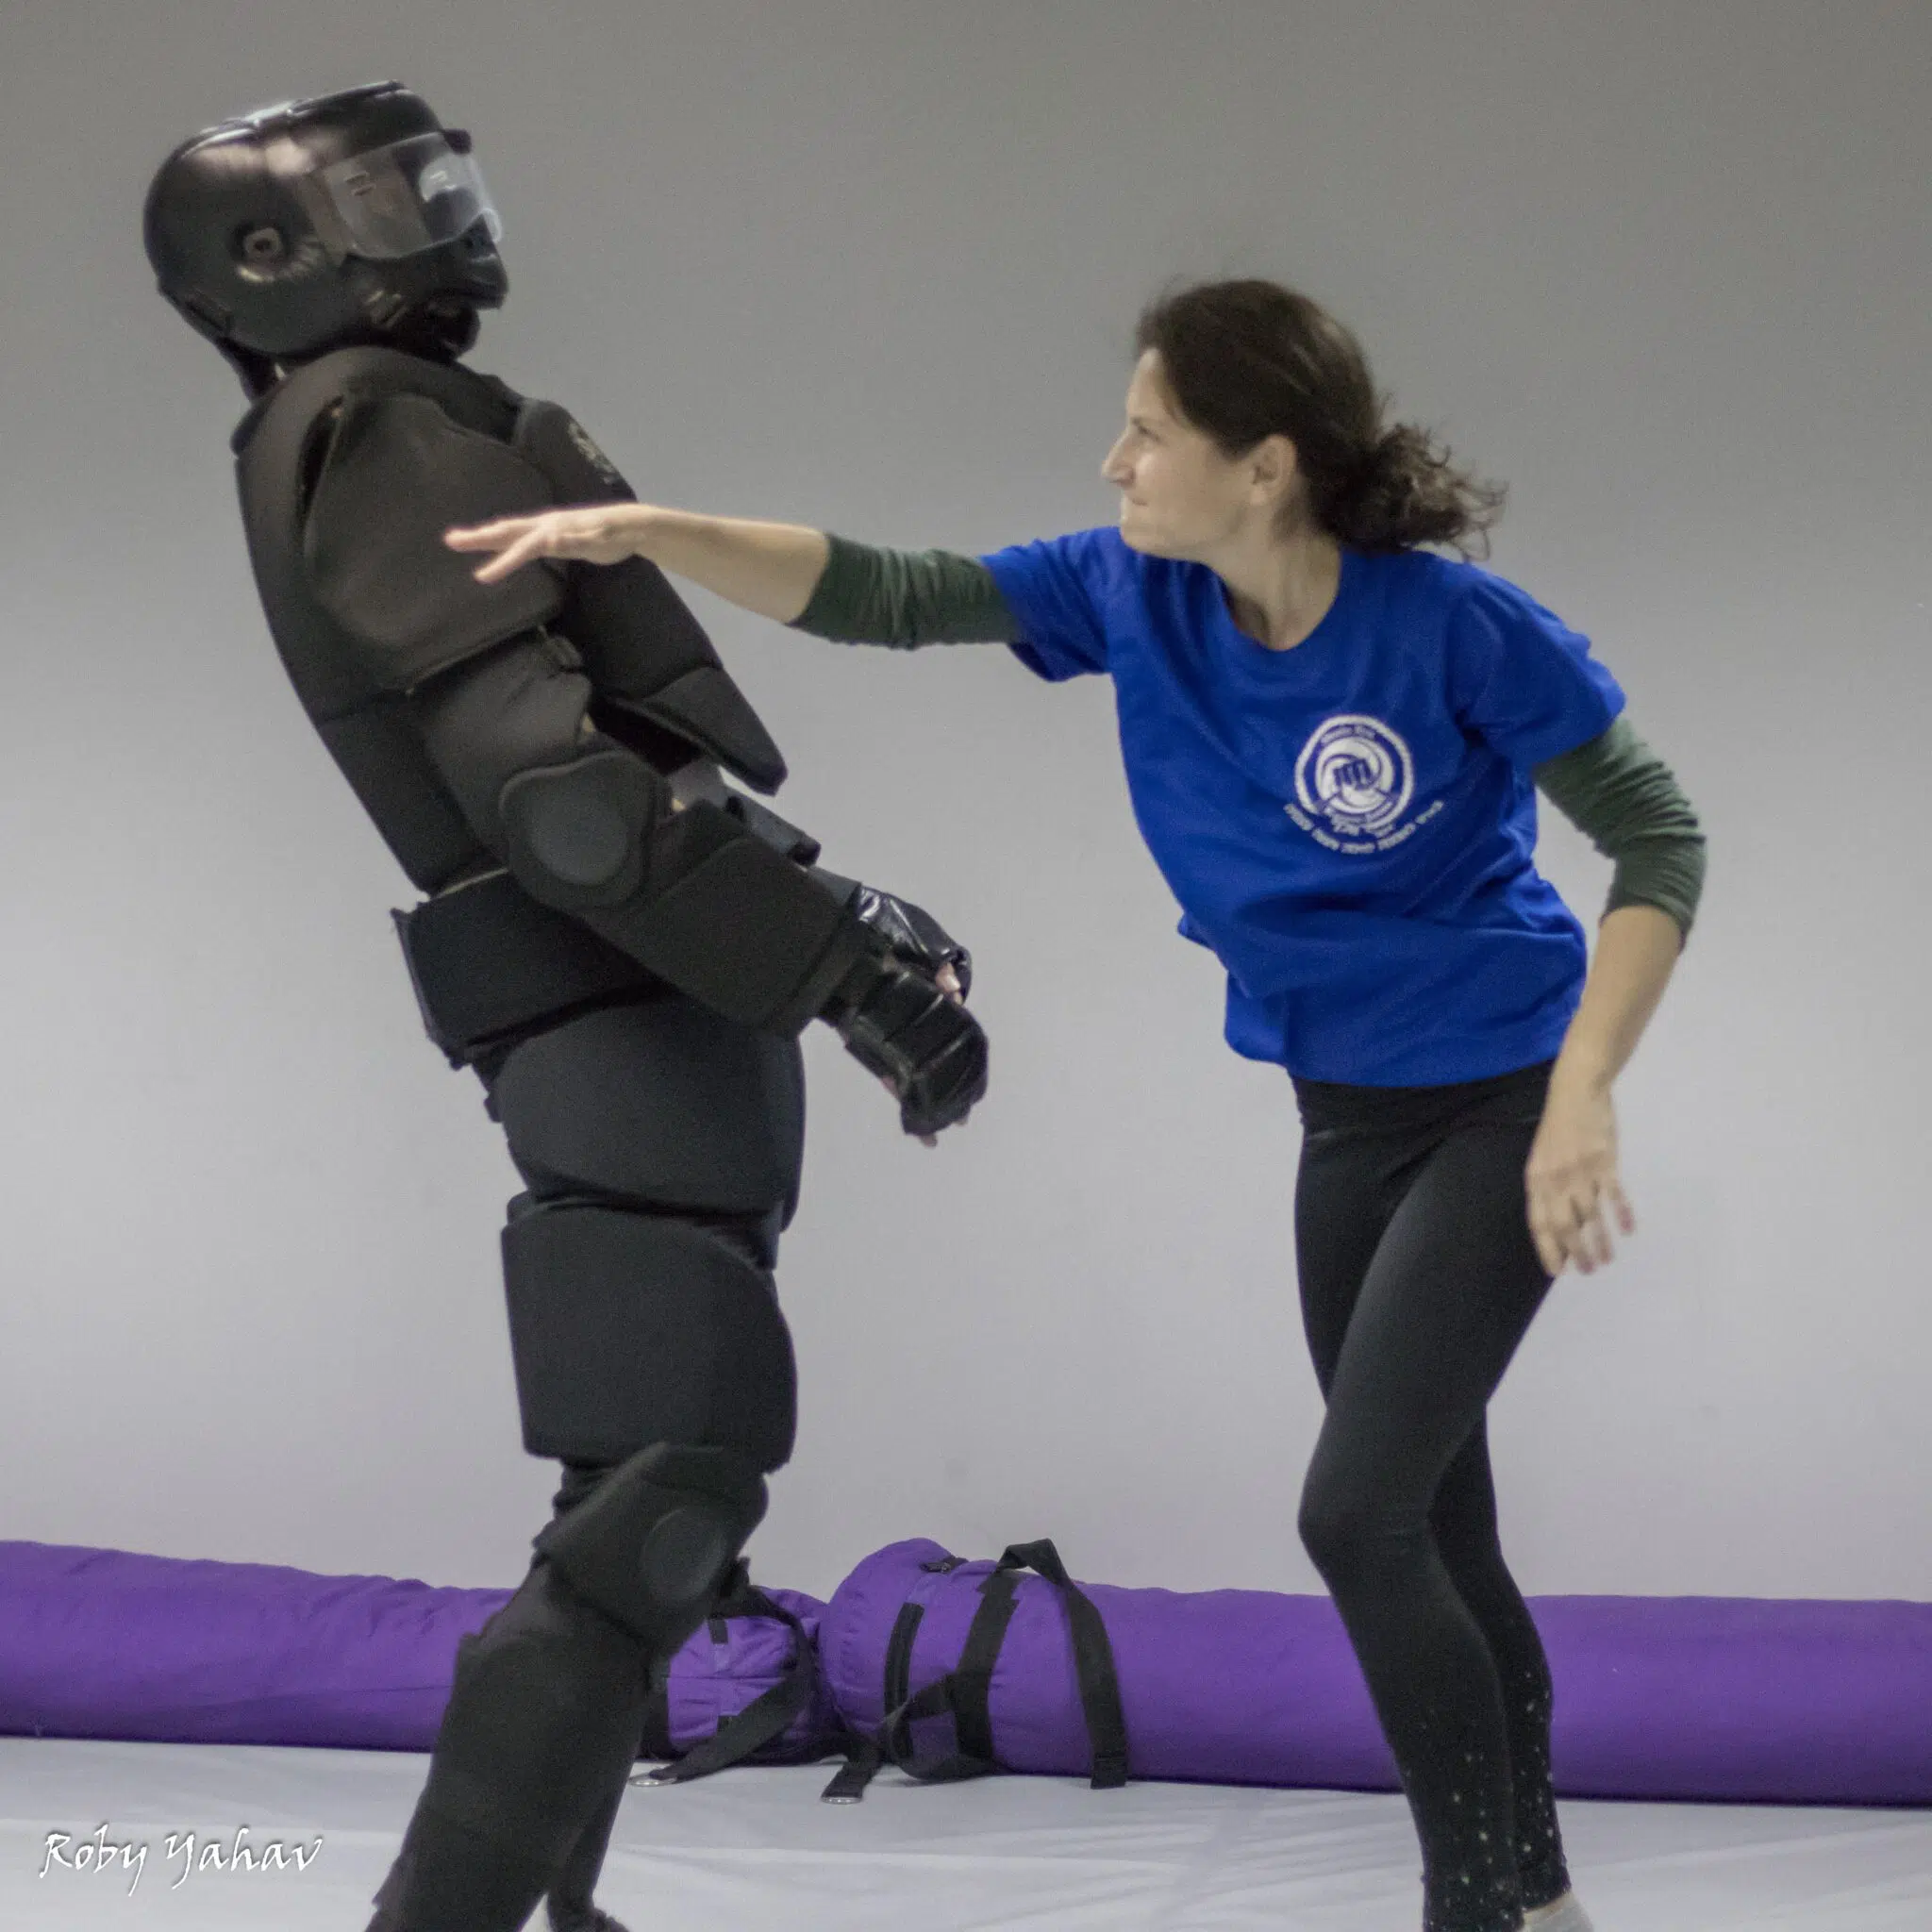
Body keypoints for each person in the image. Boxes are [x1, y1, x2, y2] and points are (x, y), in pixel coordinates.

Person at [446, 275, 1706, 1932]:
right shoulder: (1134, 594)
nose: (1116, 463)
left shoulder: (1458, 628)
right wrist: (653, 534)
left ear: (1265, 465)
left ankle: (1475, 1908)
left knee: (1357, 1515)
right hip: (1345, 1122)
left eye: (1149, 432)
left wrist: (1586, 1095)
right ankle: (1540, 1904)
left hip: (1503, 1108)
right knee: (1435, 1528)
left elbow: (1658, 837)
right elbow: (894, 594)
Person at [143, 82, 987, 1932]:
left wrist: (821, 924)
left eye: (439, 181)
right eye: (390, 196)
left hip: (639, 1008)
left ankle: (555, 1906)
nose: (441, 217)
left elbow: (597, 774)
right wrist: (843, 961)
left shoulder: (368, 415)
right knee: (660, 1504)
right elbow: (566, 800)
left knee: (634, 1501)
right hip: (612, 1014)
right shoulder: (375, 423)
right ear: (269, 253)